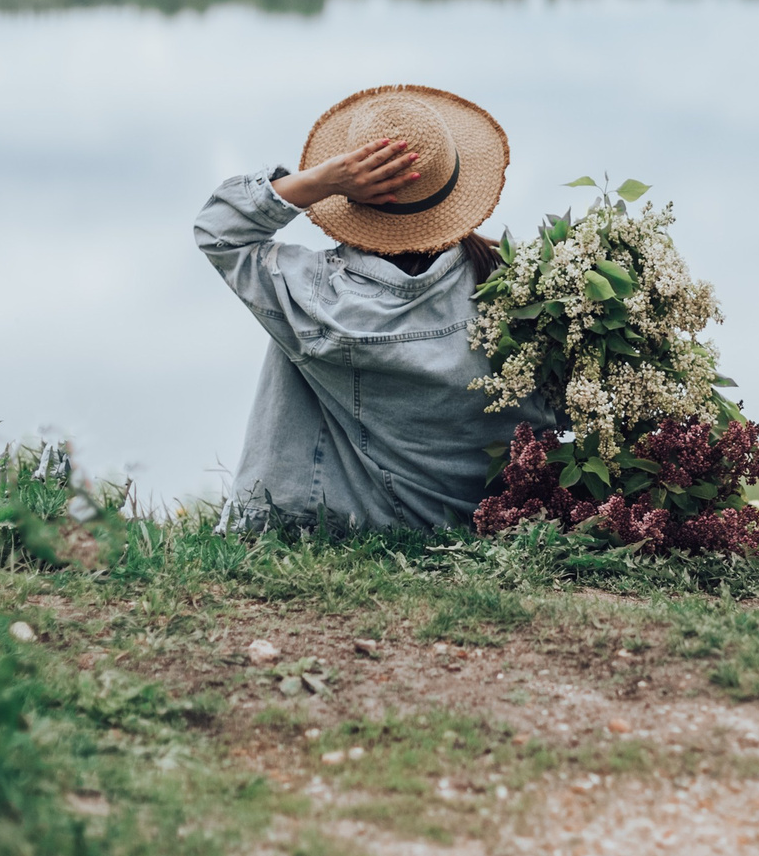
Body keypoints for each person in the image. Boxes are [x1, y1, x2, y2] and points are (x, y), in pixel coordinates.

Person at [193, 85, 553, 534]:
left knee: (293, 334)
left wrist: (319, 181)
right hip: (488, 518)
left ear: (351, 191)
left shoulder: (321, 299)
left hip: (355, 522)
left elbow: (218, 231)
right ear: (452, 186)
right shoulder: (525, 291)